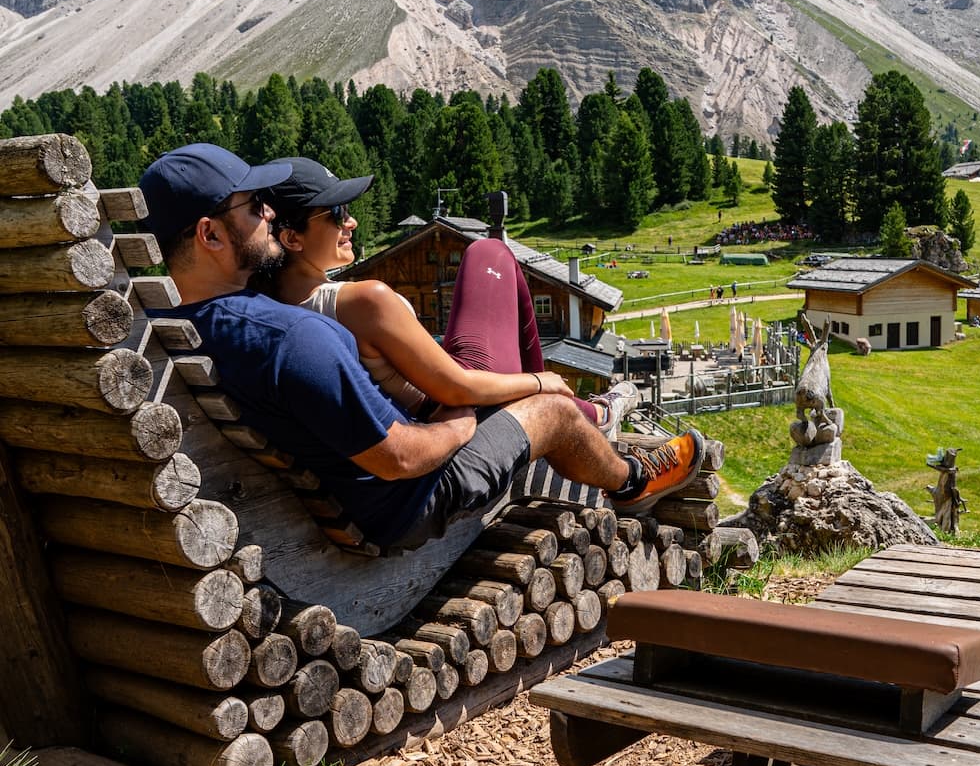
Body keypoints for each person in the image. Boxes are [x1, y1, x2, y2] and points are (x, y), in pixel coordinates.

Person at [137, 145, 702, 552]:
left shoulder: (170, 322)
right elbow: (400, 457)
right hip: (411, 500)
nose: (266, 214)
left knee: (501, 387)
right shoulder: (288, 337)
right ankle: (630, 483)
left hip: (359, 485)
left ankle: (581, 429)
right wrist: (458, 424)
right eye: (253, 207)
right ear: (210, 235)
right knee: (549, 409)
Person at [264, 159, 633, 434]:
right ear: (291, 239)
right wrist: (542, 382)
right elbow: (457, 387)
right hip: (450, 399)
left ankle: (580, 410)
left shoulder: (270, 304)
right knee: (490, 252)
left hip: (432, 393)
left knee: (488, 254)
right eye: (336, 212)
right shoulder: (361, 300)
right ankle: (591, 415)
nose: (351, 221)